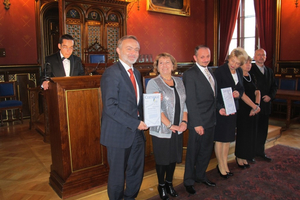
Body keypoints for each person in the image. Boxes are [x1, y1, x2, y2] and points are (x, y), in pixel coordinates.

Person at [100, 35, 148, 200]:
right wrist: (135, 123)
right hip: (118, 133)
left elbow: (135, 103)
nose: (134, 52)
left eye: (136, 49)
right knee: (117, 176)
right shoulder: (111, 73)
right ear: (118, 50)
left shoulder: (136, 72)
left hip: (136, 133)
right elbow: (110, 107)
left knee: (136, 170)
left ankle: (130, 197)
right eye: (129, 48)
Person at [146, 53, 188, 200]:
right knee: (163, 159)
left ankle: (170, 183)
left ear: (173, 65)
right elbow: (155, 108)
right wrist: (170, 125)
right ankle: (161, 185)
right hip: (162, 129)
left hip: (178, 127)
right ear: (157, 67)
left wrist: (184, 122)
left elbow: (184, 104)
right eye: (161, 63)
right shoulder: (153, 83)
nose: (164, 66)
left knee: (172, 158)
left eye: (167, 62)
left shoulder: (179, 81)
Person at [183, 45, 218, 195]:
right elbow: (190, 100)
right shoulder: (190, 74)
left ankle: (201, 175)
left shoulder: (211, 71)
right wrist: (197, 123)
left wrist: (219, 109)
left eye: (208, 56)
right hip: (198, 121)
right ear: (195, 58)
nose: (205, 59)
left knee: (206, 151)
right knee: (193, 153)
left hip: (211, 119)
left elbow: (212, 96)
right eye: (202, 57)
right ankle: (189, 181)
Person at [213, 47, 247, 178]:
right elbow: (214, 92)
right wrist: (220, 107)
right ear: (229, 57)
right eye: (233, 61)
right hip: (221, 110)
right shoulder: (220, 71)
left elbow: (241, 88)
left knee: (227, 139)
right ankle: (220, 165)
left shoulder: (238, 71)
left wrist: (238, 93)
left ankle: (225, 164)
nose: (234, 65)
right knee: (220, 139)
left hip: (233, 109)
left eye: (238, 63)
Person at [250, 48, 277, 162]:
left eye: (263, 55)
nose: (261, 57)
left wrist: (270, 96)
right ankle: (251, 153)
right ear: (254, 57)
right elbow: (250, 87)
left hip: (266, 106)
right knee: (253, 130)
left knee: (263, 130)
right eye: (259, 55)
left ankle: (261, 152)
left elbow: (274, 86)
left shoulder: (269, 71)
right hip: (254, 106)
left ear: (266, 57)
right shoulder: (251, 70)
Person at [235, 56, 261, 168]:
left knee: (251, 133)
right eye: (246, 63)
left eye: (250, 63)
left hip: (253, 109)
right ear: (240, 65)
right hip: (243, 109)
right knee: (243, 134)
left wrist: (257, 105)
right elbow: (242, 95)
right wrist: (254, 106)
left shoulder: (252, 76)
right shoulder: (238, 77)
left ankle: (246, 155)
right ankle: (239, 156)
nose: (248, 65)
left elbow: (258, 92)